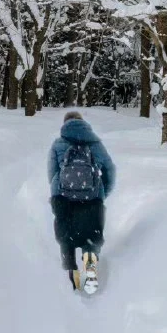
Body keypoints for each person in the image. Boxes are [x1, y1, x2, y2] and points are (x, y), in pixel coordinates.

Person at [47, 110, 116, 292]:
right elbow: (110, 169)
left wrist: (59, 192)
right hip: (92, 198)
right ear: (83, 123)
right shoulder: (95, 143)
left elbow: (52, 173)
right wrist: (102, 192)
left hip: (63, 198)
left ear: (65, 124)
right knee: (91, 236)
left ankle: (72, 273)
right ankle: (90, 268)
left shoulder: (58, 144)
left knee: (65, 236)